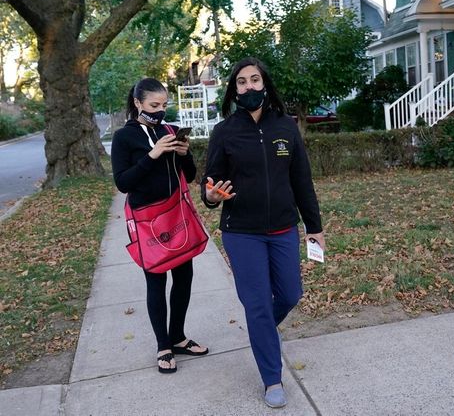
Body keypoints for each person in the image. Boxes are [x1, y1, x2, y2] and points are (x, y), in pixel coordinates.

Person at [201, 57, 324, 408]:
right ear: (234, 90)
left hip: (284, 228)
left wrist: (314, 228)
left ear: (265, 85)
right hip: (241, 232)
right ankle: (272, 378)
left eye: (255, 80)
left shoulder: (286, 127)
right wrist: (210, 197)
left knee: (289, 295)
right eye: (241, 82)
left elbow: (302, 181)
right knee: (256, 305)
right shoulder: (224, 131)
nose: (249, 87)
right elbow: (210, 184)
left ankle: (261, 331)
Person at [111, 78, 209, 372]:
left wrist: (184, 153)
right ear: (138, 103)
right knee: (156, 280)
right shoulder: (124, 138)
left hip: (176, 215)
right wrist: (153, 155)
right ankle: (163, 346)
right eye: (154, 105)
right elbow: (123, 183)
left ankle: (178, 337)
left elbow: (189, 176)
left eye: (164, 105)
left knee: (184, 277)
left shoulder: (168, 131)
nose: (160, 111)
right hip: (147, 221)